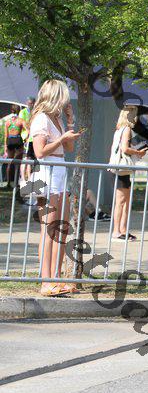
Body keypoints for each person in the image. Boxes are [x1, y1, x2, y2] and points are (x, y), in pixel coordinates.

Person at [29, 79, 81, 296]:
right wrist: (62, 139)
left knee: (61, 229)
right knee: (49, 229)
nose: (66, 102)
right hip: (47, 175)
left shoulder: (56, 119)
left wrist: (70, 122)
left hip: (59, 173)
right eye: (63, 98)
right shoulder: (41, 118)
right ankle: (46, 280)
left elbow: (68, 147)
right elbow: (39, 152)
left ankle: (56, 277)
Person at [110, 106, 147, 241]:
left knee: (125, 201)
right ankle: (116, 231)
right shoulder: (126, 129)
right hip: (121, 169)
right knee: (121, 201)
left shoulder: (119, 130)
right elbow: (125, 149)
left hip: (118, 168)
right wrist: (138, 152)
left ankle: (123, 230)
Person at [4, 104, 26, 189]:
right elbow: (28, 130)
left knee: (9, 162)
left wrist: (5, 146)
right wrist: (25, 139)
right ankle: (16, 183)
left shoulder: (8, 122)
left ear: (11, 110)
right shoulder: (21, 120)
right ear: (19, 111)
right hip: (18, 140)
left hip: (10, 140)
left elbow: (6, 135)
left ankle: (8, 183)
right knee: (18, 163)